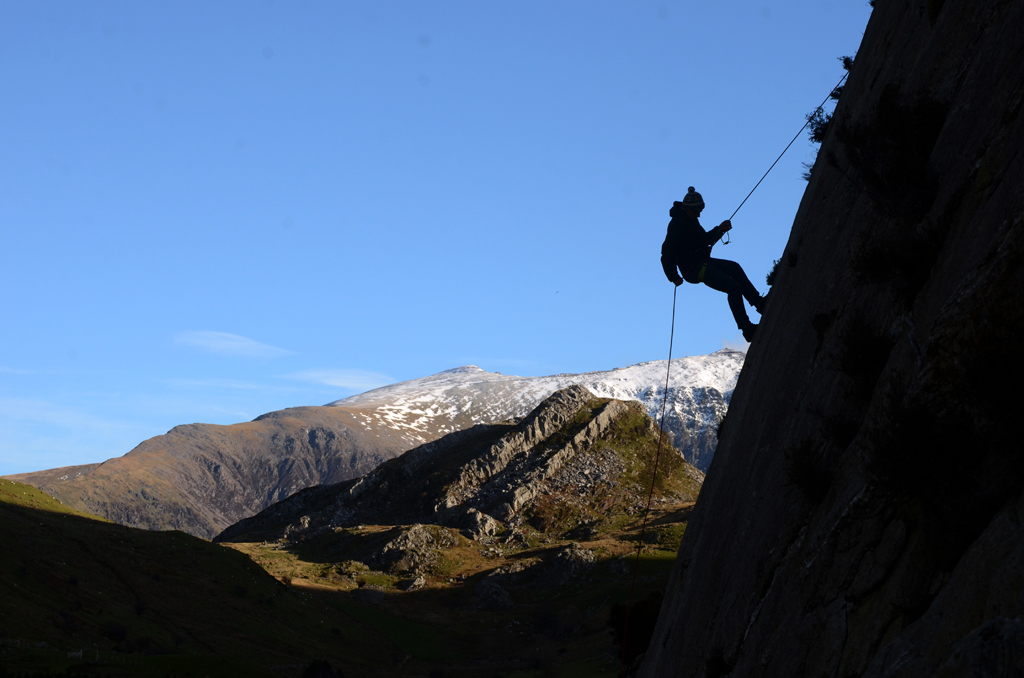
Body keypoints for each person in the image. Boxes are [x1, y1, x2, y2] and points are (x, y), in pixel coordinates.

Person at [660, 187, 766, 342]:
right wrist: (674, 276)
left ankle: (759, 303)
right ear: (689, 209)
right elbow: (666, 255)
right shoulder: (677, 225)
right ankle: (747, 329)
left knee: (734, 268)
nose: (699, 214)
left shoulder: (691, 220)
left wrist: (720, 230)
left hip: (701, 262)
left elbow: (703, 240)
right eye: (697, 210)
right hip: (693, 269)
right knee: (733, 287)